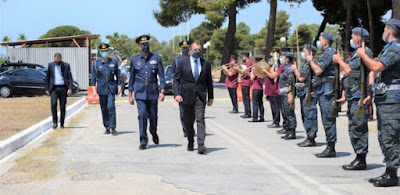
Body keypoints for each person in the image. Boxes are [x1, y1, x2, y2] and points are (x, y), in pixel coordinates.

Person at [357, 18, 400, 187]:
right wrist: (371, 93)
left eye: (384, 30)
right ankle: (390, 171)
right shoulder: (389, 49)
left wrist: (363, 55)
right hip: (385, 100)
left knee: (389, 137)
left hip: (392, 103)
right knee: (385, 136)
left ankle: (392, 174)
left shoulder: (395, 49)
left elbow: (376, 67)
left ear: (388, 31)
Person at [332, 27, 373, 170]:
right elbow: (352, 76)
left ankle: (361, 159)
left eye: (352, 36)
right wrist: (344, 95)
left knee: (358, 127)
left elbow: (349, 70)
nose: (351, 38)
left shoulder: (364, 53)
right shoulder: (357, 54)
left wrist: (339, 60)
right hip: (352, 95)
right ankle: (358, 157)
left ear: (357, 38)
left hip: (359, 96)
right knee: (354, 127)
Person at [173, 41, 214, 155]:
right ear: (190, 51)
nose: (197, 52)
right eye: (195, 50)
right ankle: (190, 141)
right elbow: (176, 80)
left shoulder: (206, 63)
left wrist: (210, 97)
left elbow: (209, 82)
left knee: (200, 119)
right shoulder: (182, 63)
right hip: (186, 96)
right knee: (188, 121)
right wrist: (177, 94)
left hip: (200, 96)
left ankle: (201, 144)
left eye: (199, 50)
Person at [129, 35, 166, 150]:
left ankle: (153, 132)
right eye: (142, 44)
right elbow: (131, 78)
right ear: (139, 46)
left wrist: (162, 91)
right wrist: (130, 95)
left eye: (146, 44)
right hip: (140, 92)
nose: (145, 46)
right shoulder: (134, 60)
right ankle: (143, 140)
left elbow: (161, 76)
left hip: (153, 91)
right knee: (142, 115)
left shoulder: (156, 58)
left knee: (153, 116)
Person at [306, 32, 338, 158]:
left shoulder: (329, 53)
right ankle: (329, 145)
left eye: (320, 40)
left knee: (328, 119)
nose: (318, 42)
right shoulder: (325, 53)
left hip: (328, 90)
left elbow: (318, 70)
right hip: (322, 88)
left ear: (325, 41)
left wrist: (310, 60)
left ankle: (331, 147)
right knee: (326, 119)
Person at [90, 43, 122, 136]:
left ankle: (113, 127)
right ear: (100, 52)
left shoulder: (113, 62)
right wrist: (94, 90)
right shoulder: (96, 64)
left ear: (108, 52)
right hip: (101, 88)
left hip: (111, 88)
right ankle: (107, 127)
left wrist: (119, 86)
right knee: (104, 108)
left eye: (106, 51)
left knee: (111, 106)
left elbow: (118, 75)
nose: (104, 53)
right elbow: (93, 78)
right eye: (103, 51)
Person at [291, 44, 319, 147]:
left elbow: (301, 78)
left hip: (309, 93)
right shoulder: (306, 63)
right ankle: (309, 136)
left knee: (309, 115)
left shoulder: (309, 64)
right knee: (305, 115)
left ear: (310, 53)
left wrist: (294, 69)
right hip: (304, 93)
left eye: (304, 51)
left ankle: (311, 137)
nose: (303, 53)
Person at [45, 53, 74, 129]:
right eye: (55, 60)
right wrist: (47, 88)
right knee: (53, 104)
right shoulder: (51, 65)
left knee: (62, 106)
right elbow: (47, 77)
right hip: (54, 88)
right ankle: (55, 122)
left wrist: (70, 88)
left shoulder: (66, 66)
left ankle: (62, 123)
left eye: (57, 60)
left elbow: (70, 77)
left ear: (60, 59)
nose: (56, 61)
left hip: (63, 88)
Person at [172, 40, 191, 137]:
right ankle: (186, 130)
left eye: (186, 48)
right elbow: (173, 76)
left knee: (191, 112)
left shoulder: (193, 59)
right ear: (180, 48)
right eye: (183, 48)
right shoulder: (176, 60)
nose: (185, 49)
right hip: (181, 89)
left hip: (191, 89)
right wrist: (176, 92)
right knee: (183, 112)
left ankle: (190, 127)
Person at [266, 50, 281, 128]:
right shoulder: (272, 64)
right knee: (273, 106)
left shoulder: (278, 65)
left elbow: (273, 75)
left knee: (275, 106)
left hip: (274, 88)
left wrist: (266, 71)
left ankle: (276, 121)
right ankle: (274, 120)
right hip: (270, 89)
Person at [249, 57, 265, 122]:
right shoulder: (262, 69)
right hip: (260, 88)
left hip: (256, 88)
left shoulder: (256, 70)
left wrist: (252, 71)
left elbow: (251, 78)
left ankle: (255, 118)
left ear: (256, 62)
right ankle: (262, 117)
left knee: (255, 103)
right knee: (260, 103)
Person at [239, 52, 253, 118]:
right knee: (244, 98)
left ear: (245, 56)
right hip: (243, 81)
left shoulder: (249, 63)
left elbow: (247, 72)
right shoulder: (246, 63)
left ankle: (248, 112)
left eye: (243, 56)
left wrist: (239, 69)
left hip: (246, 82)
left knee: (246, 98)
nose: (242, 58)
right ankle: (246, 112)